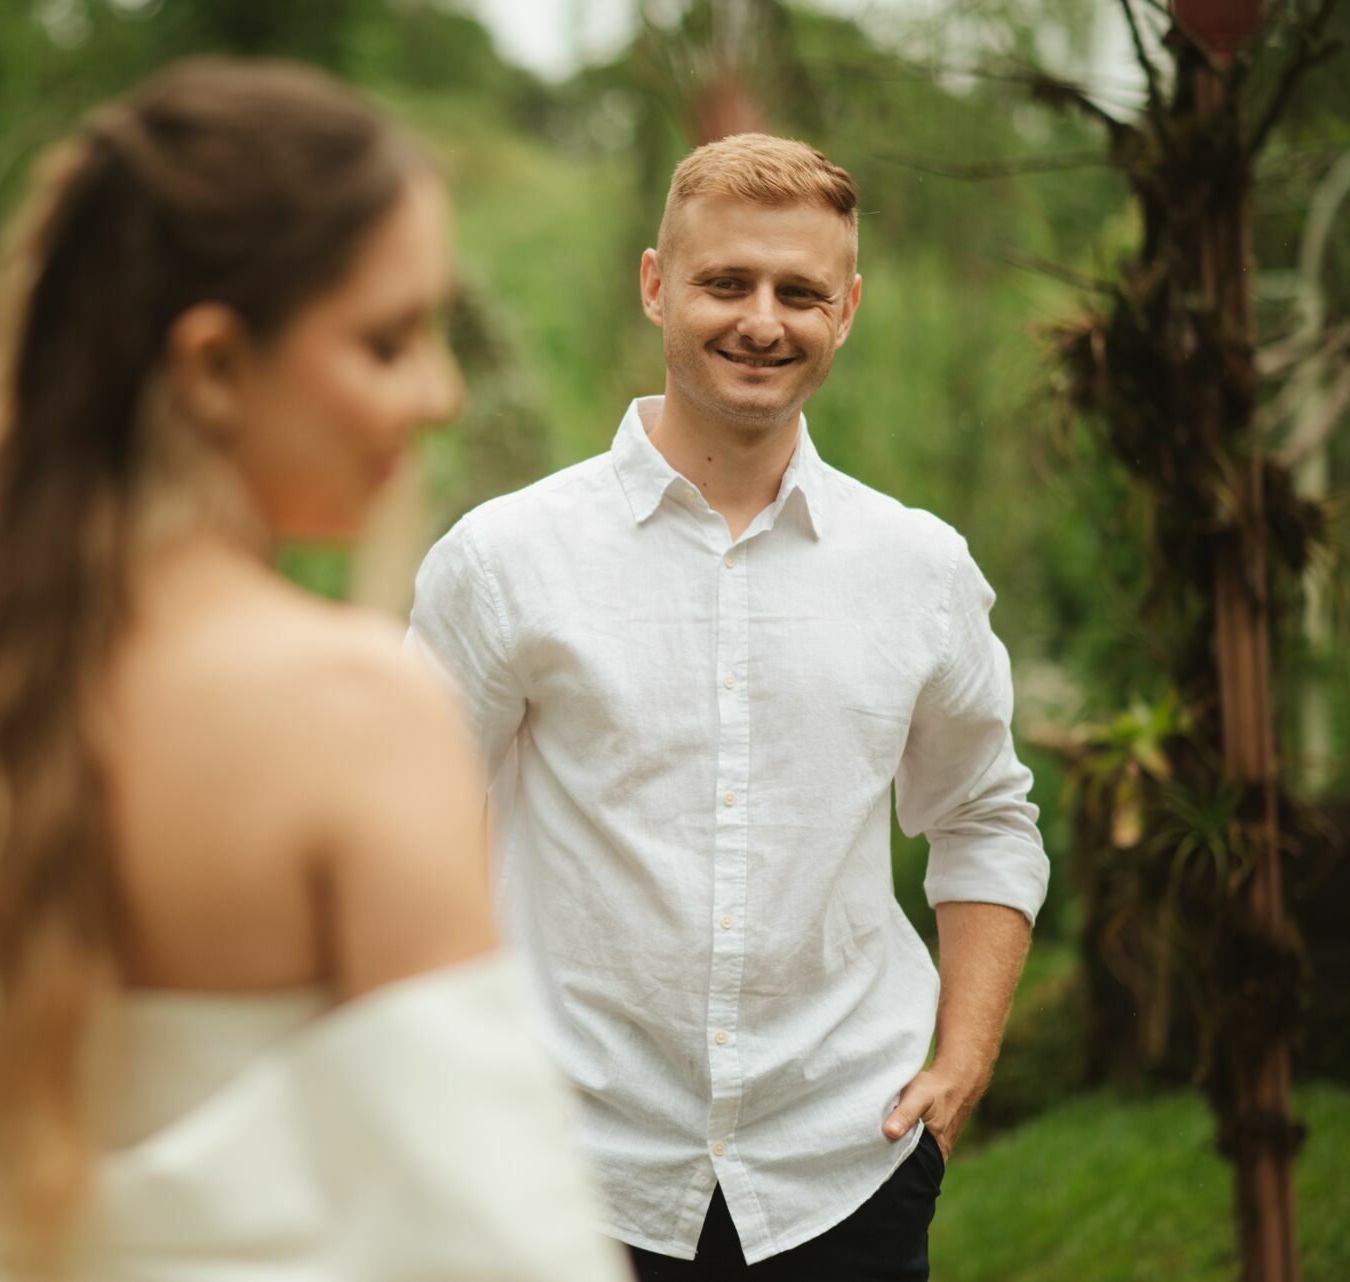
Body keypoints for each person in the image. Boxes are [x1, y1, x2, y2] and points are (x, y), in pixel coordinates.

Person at [0, 59, 631, 1282]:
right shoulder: (349, 711)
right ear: (214, 367)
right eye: (388, 340)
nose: (441, 392)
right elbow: (503, 1248)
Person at [407, 134, 1049, 1280]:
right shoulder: (503, 561)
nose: (764, 320)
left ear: (846, 309)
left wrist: (965, 1061)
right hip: (571, 1175)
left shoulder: (919, 569)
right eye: (726, 283)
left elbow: (986, 818)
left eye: (800, 291)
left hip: (848, 1170)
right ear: (657, 284)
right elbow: (404, 840)